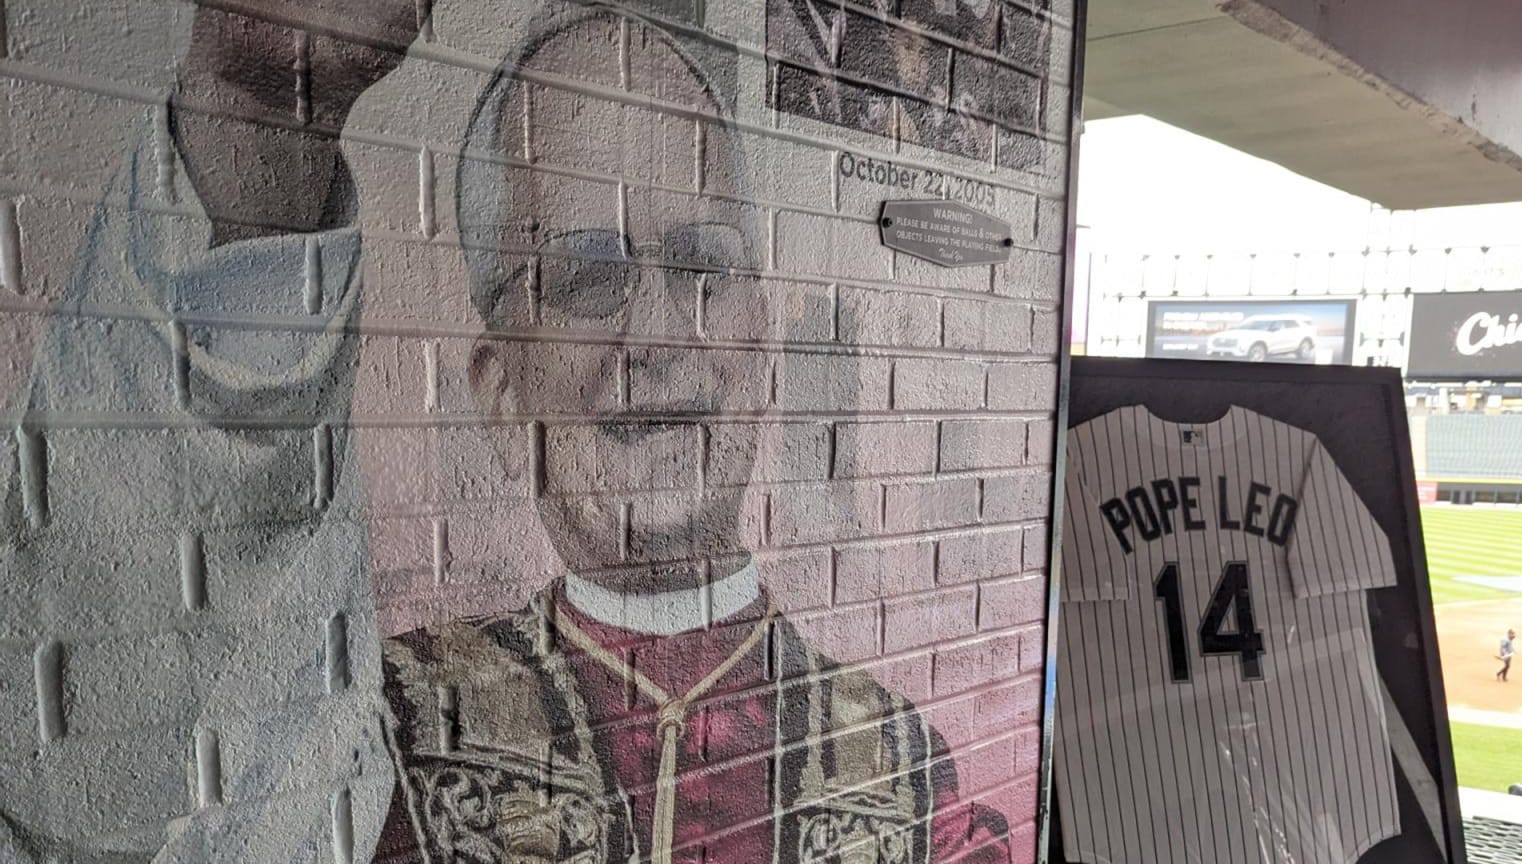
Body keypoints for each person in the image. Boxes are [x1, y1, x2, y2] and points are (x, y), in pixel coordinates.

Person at [1, 2, 1016, 862]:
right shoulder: (388, 726)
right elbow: (118, 764)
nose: (657, 335)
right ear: (497, 388)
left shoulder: (909, 777)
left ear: (760, 349)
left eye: (703, 267)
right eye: (587, 276)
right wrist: (262, 115)